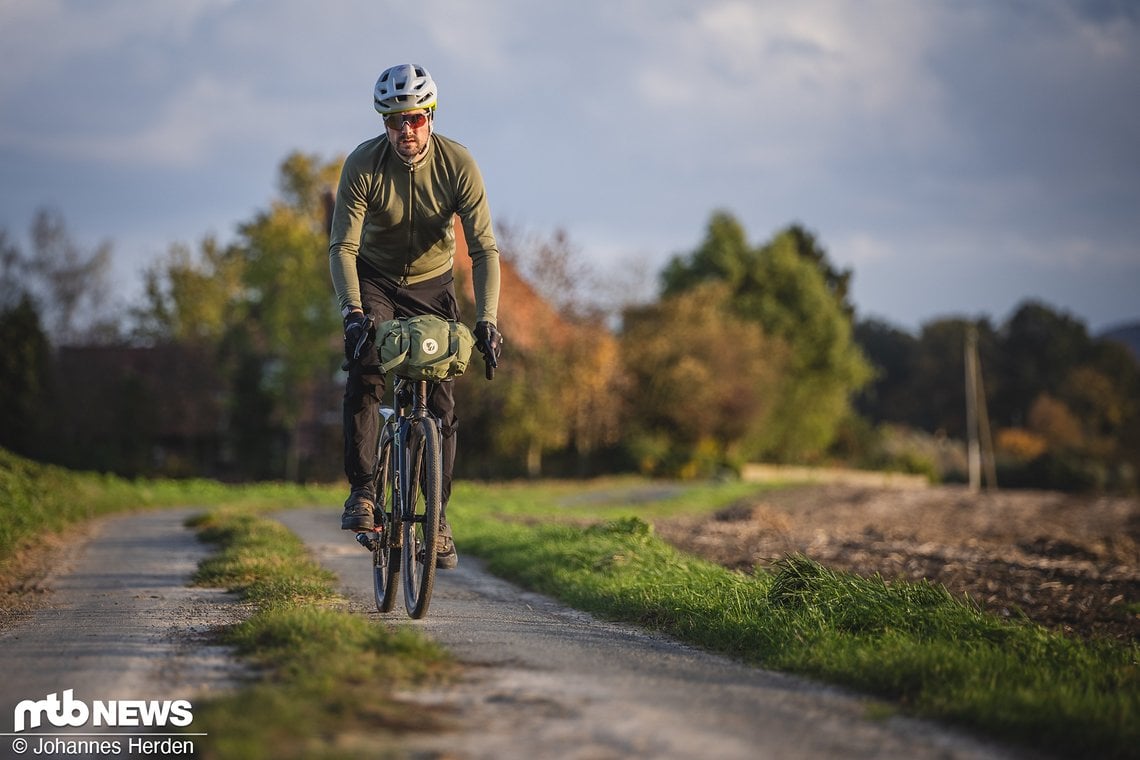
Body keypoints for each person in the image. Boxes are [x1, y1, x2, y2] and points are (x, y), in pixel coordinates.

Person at [329, 63, 502, 569]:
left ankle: (438, 521)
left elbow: (485, 249)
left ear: (431, 115)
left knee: (443, 404)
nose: (406, 130)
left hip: (434, 284)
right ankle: (363, 491)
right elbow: (342, 246)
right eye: (395, 120)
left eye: (416, 119)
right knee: (365, 372)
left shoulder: (458, 164)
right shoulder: (362, 165)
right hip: (375, 280)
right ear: (384, 121)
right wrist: (354, 313)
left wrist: (488, 321)